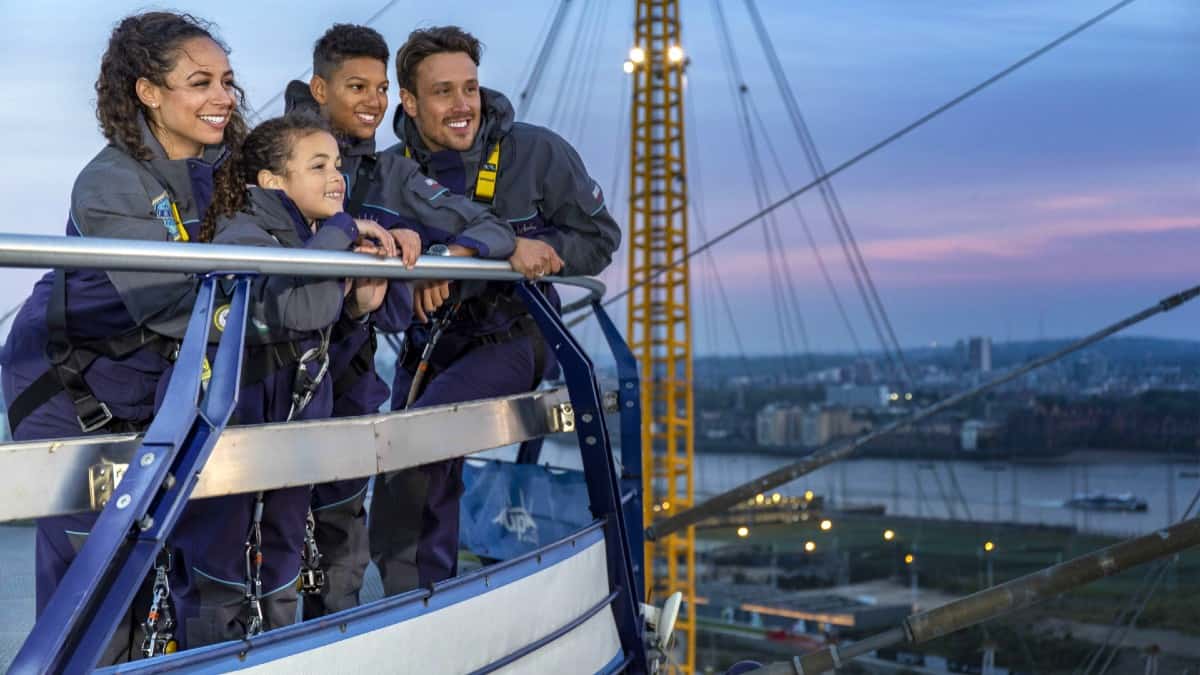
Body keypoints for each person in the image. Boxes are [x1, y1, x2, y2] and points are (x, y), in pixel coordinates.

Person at [0, 12, 250, 662]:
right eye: (200, 82)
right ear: (148, 92)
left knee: (148, 594)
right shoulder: (110, 183)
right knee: (90, 613)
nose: (223, 97)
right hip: (67, 401)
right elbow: (172, 304)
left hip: (148, 403)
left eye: (226, 80)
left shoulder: (222, 173)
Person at [367, 25, 621, 596]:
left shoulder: (536, 152)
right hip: (429, 340)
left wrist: (522, 256)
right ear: (409, 101)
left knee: (421, 445)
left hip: (515, 333)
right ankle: (408, 599)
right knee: (395, 465)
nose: (463, 106)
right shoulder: (388, 169)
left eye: (470, 89)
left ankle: (425, 604)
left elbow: (600, 239)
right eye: (443, 92)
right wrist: (434, 263)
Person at [166, 111, 409, 648]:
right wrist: (345, 241)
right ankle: (208, 660)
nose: (337, 177)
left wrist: (362, 298)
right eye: (318, 164)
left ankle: (277, 654)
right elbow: (297, 308)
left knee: (280, 552)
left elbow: (388, 315)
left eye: (339, 165)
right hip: (233, 423)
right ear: (273, 181)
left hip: (293, 420)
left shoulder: (320, 236)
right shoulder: (241, 234)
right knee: (218, 559)